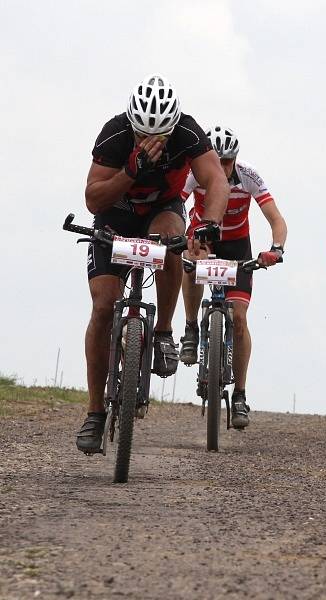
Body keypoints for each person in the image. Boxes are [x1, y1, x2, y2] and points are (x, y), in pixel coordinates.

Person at [77, 74, 228, 454]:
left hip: (162, 210)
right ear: (132, 124)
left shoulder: (187, 132)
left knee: (170, 239)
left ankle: (162, 331)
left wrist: (209, 224)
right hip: (116, 215)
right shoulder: (114, 133)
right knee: (101, 308)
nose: (153, 143)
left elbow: (216, 180)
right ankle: (95, 413)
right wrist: (131, 169)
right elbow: (93, 199)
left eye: (160, 135)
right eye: (144, 134)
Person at [179, 125, 287, 430]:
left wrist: (275, 249)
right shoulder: (194, 173)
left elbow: (276, 219)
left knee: (239, 320)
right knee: (190, 259)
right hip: (203, 237)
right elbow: (177, 201)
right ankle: (190, 329)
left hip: (238, 246)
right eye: (217, 159)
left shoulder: (249, 175)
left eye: (228, 161)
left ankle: (239, 395)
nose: (222, 168)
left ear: (235, 159)